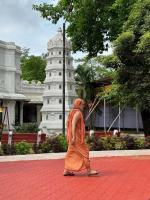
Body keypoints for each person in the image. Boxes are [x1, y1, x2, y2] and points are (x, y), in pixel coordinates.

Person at [64, 98, 99, 176]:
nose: (83, 106)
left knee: (71, 152)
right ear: (79, 104)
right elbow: (73, 124)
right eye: (82, 104)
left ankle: (66, 170)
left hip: (72, 136)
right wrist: (73, 137)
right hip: (76, 137)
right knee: (85, 151)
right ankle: (89, 170)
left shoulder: (72, 112)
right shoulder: (78, 113)